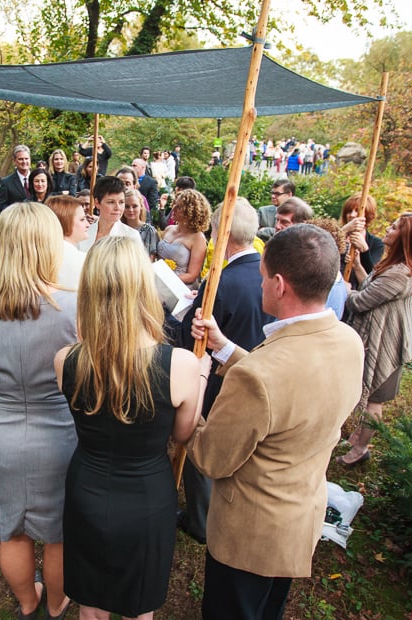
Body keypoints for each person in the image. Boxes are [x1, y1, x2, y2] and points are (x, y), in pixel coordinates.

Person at [187, 224, 365, 620]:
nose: (261, 282)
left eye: (263, 275)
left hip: (250, 537)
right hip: (299, 521)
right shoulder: (349, 341)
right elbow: (291, 390)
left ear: (280, 285)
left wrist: (191, 393)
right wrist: (225, 349)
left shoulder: (260, 377)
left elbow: (211, 458)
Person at [55, 236, 208, 620]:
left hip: (86, 489)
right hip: (146, 497)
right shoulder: (182, 365)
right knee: (138, 606)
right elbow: (183, 435)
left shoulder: (65, 361)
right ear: (143, 287)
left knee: (90, 603)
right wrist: (201, 379)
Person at [0, 201, 77, 620]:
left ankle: (29, 603)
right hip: (60, 433)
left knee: (12, 531)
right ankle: (57, 604)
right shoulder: (74, 308)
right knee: (60, 535)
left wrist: (8, 391)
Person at [177, 199, 272, 546]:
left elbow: (191, 331)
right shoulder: (268, 273)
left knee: (204, 447)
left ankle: (199, 520)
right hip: (260, 371)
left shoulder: (220, 282)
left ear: (222, 233)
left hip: (219, 379)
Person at [337, 212, 412, 466]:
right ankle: (357, 438)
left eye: (394, 227)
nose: (388, 228)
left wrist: (343, 290)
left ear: (406, 238)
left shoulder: (400, 274)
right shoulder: (395, 266)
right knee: (373, 397)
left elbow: (362, 301)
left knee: (374, 400)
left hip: (387, 346)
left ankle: (360, 449)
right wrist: (358, 265)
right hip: (381, 339)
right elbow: (371, 286)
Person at [157, 189, 210, 289]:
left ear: (190, 212)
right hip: (159, 285)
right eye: (174, 204)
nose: (174, 208)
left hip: (181, 288)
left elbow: (192, 275)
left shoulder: (198, 238)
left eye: (179, 207)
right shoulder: (168, 229)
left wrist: (166, 280)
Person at [76, 176, 142, 252]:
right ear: (97, 203)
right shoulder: (83, 233)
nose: (117, 208)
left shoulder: (131, 236)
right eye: (111, 202)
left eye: (121, 202)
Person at [339, 193, 385, 288]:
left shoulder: (376, 243)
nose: (352, 215)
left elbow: (372, 276)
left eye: (357, 211)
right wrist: (344, 231)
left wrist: (364, 251)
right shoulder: (337, 233)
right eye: (349, 211)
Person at [45, 195, 89, 290]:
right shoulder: (83, 260)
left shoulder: (40, 255)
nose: (88, 224)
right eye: (82, 219)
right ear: (65, 222)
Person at [0, 145, 33, 215]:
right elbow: (0, 206)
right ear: (14, 161)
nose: (24, 161)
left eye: (26, 158)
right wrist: (15, 212)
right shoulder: (6, 182)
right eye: (20, 159)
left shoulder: (38, 179)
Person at [121, 188, 158, 260]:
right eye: (127, 207)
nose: (130, 210)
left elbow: (150, 259)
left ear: (141, 206)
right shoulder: (117, 227)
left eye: (134, 206)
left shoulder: (148, 231)